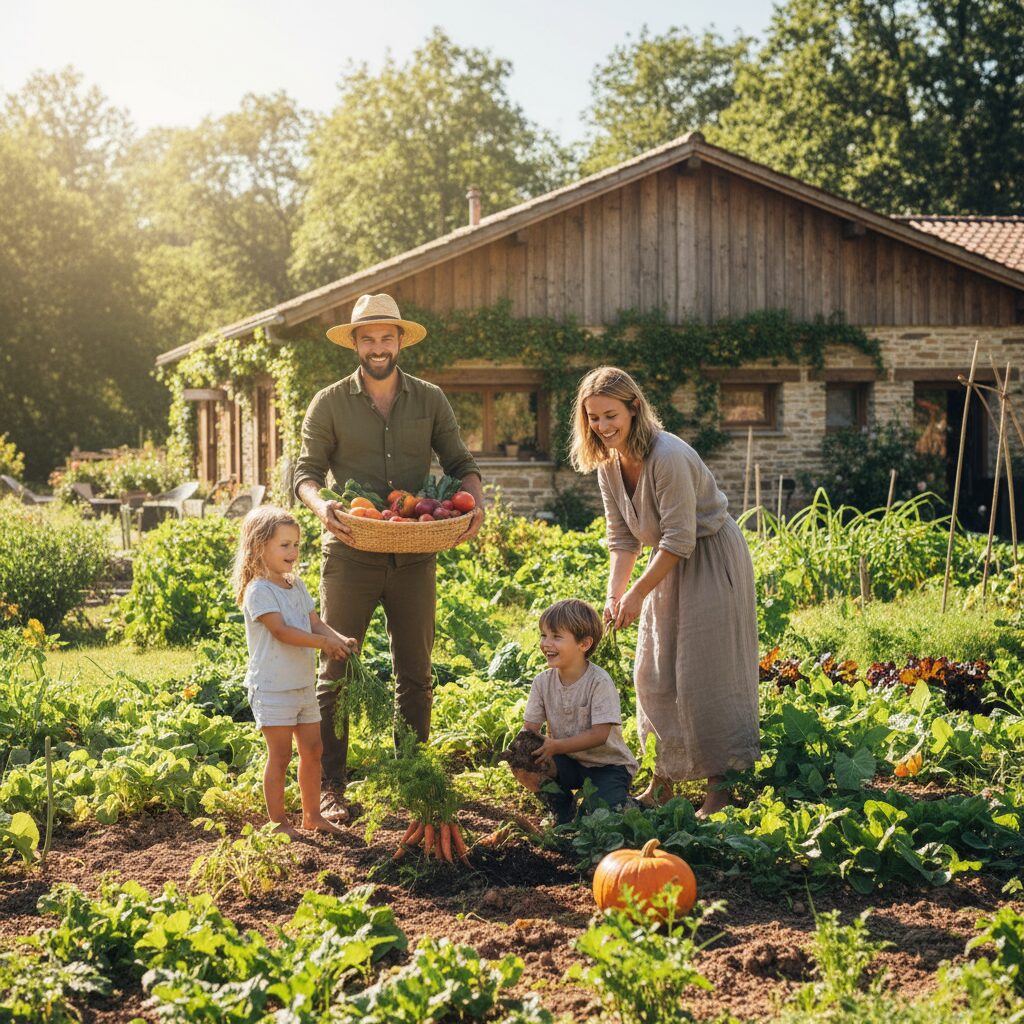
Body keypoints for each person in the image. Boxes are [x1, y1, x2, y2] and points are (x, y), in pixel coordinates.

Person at [294, 293, 485, 822]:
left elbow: (460, 461)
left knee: (415, 673)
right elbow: (304, 474)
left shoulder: (430, 400)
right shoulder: (328, 403)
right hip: (351, 551)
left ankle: (412, 776)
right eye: (368, 338)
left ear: (400, 341)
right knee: (336, 670)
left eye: (387, 337)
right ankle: (332, 786)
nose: (378, 347)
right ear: (354, 343)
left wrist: (477, 502)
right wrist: (321, 504)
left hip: (414, 553)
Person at [570, 367, 759, 816]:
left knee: (706, 676)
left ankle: (720, 788)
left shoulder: (668, 455)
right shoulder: (609, 465)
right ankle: (663, 779)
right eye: (593, 417)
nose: (602, 426)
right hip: (665, 566)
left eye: (611, 415)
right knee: (653, 673)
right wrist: (615, 596)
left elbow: (679, 539)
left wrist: (638, 595)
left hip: (710, 559)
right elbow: (622, 539)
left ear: (634, 408)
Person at [234, 505, 359, 836]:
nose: (292, 551)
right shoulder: (259, 590)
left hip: (303, 685)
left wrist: (338, 639)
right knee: (280, 755)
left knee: (314, 750)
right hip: (273, 687)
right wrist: (324, 646)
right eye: (284, 545)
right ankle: (278, 823)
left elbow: (314, 623)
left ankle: (312, 816)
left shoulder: (296, 585)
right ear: (259, 547)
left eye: (296, 544)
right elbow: (282, 632)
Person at [510, 599, 639, 824]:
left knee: (604, 816)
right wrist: (521, 751)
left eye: (556, 637)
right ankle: (561, 805)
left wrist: (556, 745)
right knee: (522, 759)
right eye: (543, 635)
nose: (546, 643)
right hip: (568, 762)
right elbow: (529, 729)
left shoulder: (599, 682)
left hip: (607, 766)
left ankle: (628, 804)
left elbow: (600, 735)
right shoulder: (542, 682)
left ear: (584, 644)